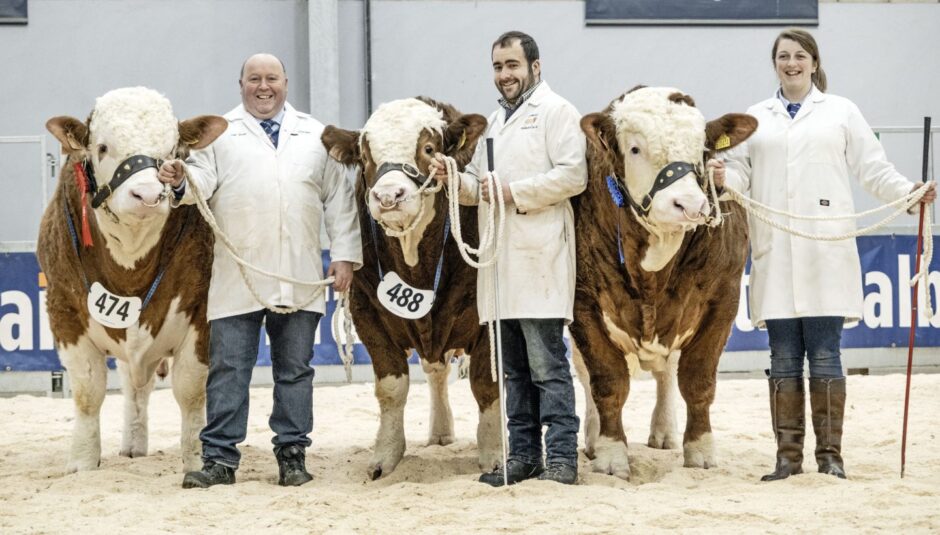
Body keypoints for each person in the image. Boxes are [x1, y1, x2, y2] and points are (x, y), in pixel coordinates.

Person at [715, 29, 936, 482]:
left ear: (814, 63)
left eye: (800, 56)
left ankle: (830, 457)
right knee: (781, 358)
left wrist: (907, 194)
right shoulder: (757, 118)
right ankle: (787, 458)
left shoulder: (841, 112)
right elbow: (740, 175)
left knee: (826, 354)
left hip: (826, 251)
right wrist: (722, 177)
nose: (791, 63)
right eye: (783, 56)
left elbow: (873, 169)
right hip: (777, 255)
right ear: (774, 63)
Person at [158, 53, 362, 488]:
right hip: (238, 275)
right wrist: (178, 179)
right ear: (241, 84)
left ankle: (292, 455)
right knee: (229, 369)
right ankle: (219, 461)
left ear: (286, 83)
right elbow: (199, 184)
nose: (263, 86)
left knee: (296, 369)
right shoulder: (220, 135)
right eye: (254, 79)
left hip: (298, 273)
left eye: (271, 78)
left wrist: (344, 255)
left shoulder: (315, 135)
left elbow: (340, 200)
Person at [430, 31, 587, 486]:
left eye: (513, 66)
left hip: (539, 257)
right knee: (512, 369)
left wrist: (513, 192)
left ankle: (561, 459)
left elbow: (573, 176)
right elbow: (476, 185)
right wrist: (452, 176)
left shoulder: (558, 112)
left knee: (548, 368)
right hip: (501, 265)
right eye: (498, 67)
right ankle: (523, 457)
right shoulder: (496, 122)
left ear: (535, 68)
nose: (505, 75)